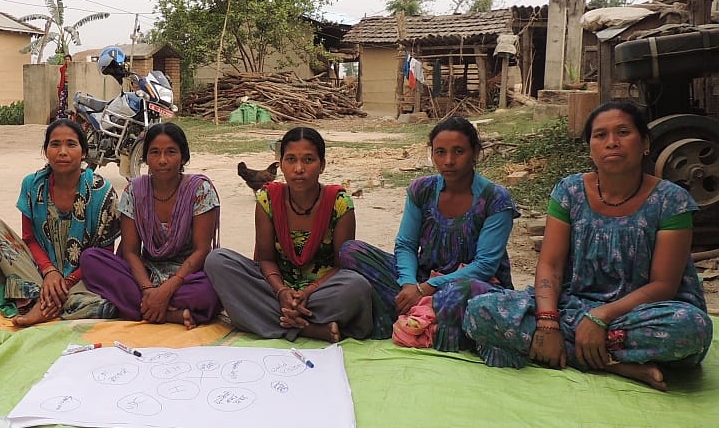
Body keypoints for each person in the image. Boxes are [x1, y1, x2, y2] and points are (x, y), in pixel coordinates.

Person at [464, 102, 712, 390]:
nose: (612, 143)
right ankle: (614, 363)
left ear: (644, 142)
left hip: (640, 313)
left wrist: (600, 317)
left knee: (690, 329)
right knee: (480, 310)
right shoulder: (570, 192)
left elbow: (663, 285)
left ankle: (569, 352)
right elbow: (551, 264)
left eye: (623, 132)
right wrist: (547, 323)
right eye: (600, 135)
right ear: (590, 147)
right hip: (572, 305)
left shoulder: (671, 201)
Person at [339, 116, 519, 347]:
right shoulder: (422, 189)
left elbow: (485, 266)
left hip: (469, 286)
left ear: (475, 153)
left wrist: (428, 288)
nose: (449, 161)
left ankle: (412, 321)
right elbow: (406, 245)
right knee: (351, 251)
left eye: (458, 151)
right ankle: (421, 319)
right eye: (440, 152)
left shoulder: (495, 199)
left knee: (464, 293)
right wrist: (408, 285)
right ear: (432, 154)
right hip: (422, 280)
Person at [205, 127, 374, 342]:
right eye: (291, 160)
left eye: (309, 160)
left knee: (357, 286)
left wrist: (307, 293)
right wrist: (282, 292)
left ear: (322, 165)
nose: (299, 169)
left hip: (323, 291)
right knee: (217, 261)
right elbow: (265, 259)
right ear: (282, 164)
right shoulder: (268, 198)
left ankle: (269, 320)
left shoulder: (339, 203)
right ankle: (309, 328)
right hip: (275, 287)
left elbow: (343, 266)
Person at [0, 119, 120, 327]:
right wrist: (50, 272)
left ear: (84, 152)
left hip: (82, 279)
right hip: (38, 271)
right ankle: (50, 301)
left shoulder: (102, 191)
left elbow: (104, 254)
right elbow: (29, 239)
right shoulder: (32, 185)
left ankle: (44, 303)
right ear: (46, 151)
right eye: (55, 144)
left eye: (71, 144)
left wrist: (66, 282)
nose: (62, 151)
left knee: (108, 305)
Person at [82, 123, 222, 330]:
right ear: (145, 158)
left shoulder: (200, 190)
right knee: (90, 259)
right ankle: (168, 313)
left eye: (171, 152)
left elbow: (202, 250)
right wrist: (148, 289)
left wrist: (165, 291)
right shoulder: (134, 191)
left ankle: (138, 308)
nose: (162, 160)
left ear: (183, 157)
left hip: (186, 276)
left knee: (209, 293)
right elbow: (130, 251)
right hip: (146, 273)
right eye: (155, 153)